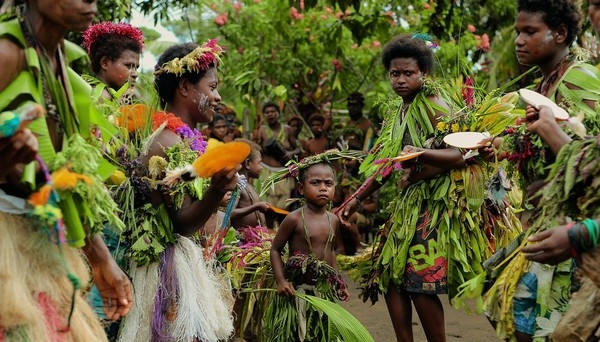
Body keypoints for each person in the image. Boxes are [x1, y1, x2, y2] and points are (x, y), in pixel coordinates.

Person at [339, 34, 509, 342]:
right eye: (395, 74)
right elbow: (385, 162)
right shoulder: (399, 111)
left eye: (408, 73)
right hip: (412, 202)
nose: (401, 80)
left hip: (439, 204)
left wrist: (419, 159)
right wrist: (355, 198)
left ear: (424, 74)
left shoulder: (434, 105)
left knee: (419, 282)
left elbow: (467, 153)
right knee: (389, 274)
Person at [0, 0, 133, 340]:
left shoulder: (62, 67)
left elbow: (66, 177)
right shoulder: (6, 53)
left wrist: (102, 260)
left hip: (42, 243)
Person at [478, 1, 600, 340]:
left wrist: (548, 133)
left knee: (539, 321)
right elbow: (537, 148)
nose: (518, 40)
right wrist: (502, 147)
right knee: (498, 292)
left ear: (560, 33)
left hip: (573, 226)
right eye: (518, 32)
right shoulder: (541, 85)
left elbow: (590, 157)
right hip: (545, 219)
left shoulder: (578, 77)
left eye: (530, 32)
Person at [115, 41, 237, 342]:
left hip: (184, 262)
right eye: (212, 86)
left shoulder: (186, 140)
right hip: (168, 273)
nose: (218, 96)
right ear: (185, 87)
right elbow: (181, 223)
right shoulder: (167, 143)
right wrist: (216, 191)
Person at [267, 157, 350, 341]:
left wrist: (338, 282)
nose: (323, 188)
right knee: (297, 334)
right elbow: (275, 250)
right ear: (301, 188)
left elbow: (331, 253)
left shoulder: (333, 220)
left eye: (328, 183)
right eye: (315, 183)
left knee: (321, 332)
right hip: (298, 292)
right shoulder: (294, 219)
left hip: (323, 290)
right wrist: (281, 281)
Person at [82, 21, 143, 103]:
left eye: (136, 68)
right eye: (128, 66)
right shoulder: (101, 96)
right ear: (105, 63)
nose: (135, 74)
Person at [230, 138, 271, 229]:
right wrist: (256, 207)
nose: (261, 167)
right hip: (241, 239)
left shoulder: (248, 185)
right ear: (248, 163)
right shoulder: (238, 185)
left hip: (255, 238)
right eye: (259, 163)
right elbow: (229, 214)